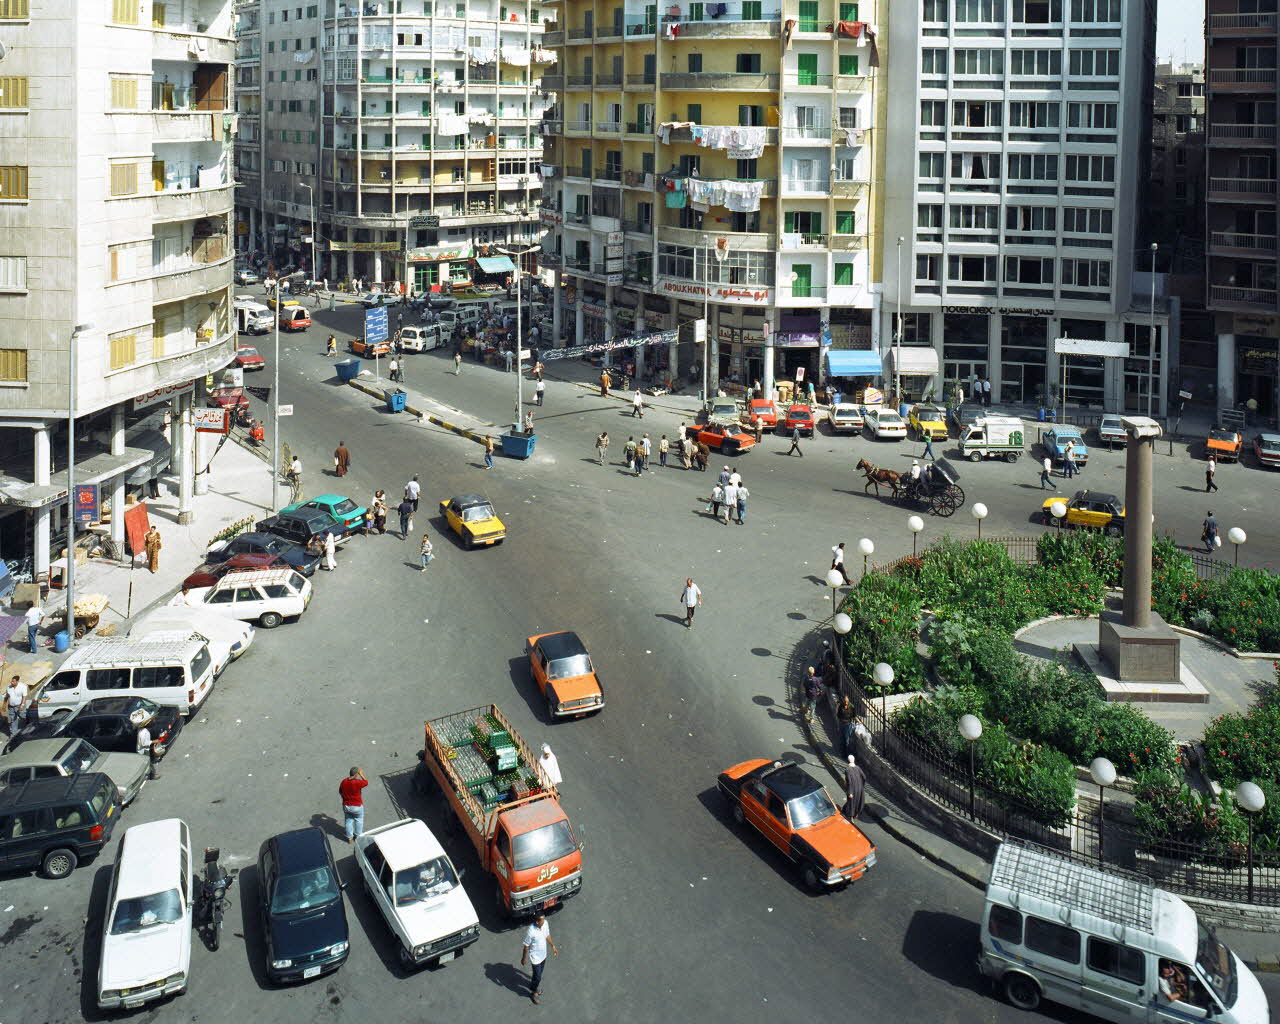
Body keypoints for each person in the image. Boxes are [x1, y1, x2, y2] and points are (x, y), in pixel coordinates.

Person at [520, 913, 559, 1005]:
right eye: (542, 920)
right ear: (537, 922)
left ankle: (534, 985)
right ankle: (534, 993)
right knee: (538, 977)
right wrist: (523, 958)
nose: (544, 921)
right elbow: (526, 946)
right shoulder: (531, 931)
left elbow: (547, 935)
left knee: (538, 975)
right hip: (535, 958)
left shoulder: (545, 924)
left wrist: (552, 946)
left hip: (543, 955)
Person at [339, 766, 369, 842]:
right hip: (357, 806)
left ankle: (349, 838)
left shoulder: (344, 781)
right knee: (359, 820)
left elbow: (340, 791)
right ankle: (358, 836)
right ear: (356, 774)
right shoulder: (357, 782)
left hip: (346, 805)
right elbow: (366, 782)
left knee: (348, 821)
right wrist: (361, 774)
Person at [844, 754, 866, 821]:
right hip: (860, 788)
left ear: (848, 760)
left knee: (852, 802)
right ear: (854, 760)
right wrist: (862, 785)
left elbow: (849, 782)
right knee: (858, 801)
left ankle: (851, 817)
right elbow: (864, 777)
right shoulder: (858, 768)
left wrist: (850, 792)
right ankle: (856, 814)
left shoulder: (847, 770)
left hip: (853, 789)